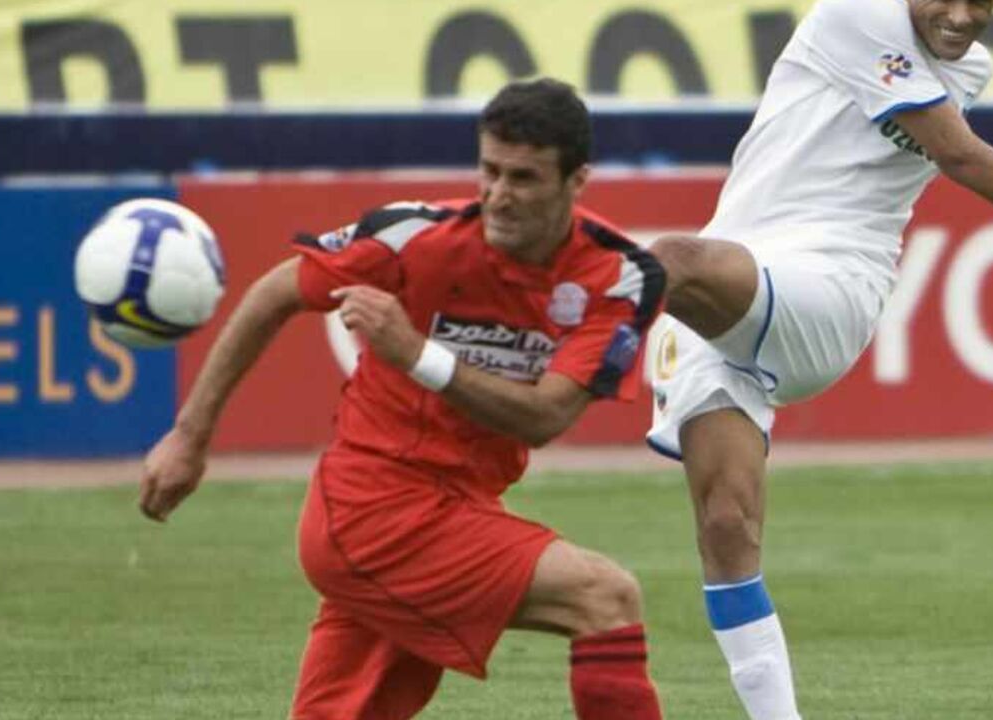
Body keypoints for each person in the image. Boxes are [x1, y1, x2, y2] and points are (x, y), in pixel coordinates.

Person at [643, 1, 993, 718]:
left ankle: (542, 361)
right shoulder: (854, 14)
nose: (963, 17)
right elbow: (957, 151)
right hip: (733, 289)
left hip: (827, 286)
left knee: (667, 261)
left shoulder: (967, 67)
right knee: (726, 527)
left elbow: (957, 152)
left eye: (983, 2)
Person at [137, 78, 666, 720]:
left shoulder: (618, 276)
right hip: (374, 508)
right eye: (489, 171)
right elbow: (274, 292)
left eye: (523, 179)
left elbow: (547, 415)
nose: (499, 196)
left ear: (576, 181)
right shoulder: (415, 238)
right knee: (605, 599)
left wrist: (418, 354)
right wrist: (191, 437)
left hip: (455, 507)